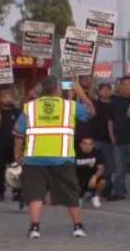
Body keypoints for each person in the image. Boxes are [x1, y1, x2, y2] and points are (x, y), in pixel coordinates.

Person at [13, 76, 94, 239]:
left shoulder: (30, 107)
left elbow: (18, 133)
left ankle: (35, 228)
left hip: (34, 157)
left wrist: (17, 154)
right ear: (58, 89)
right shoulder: (68, 106)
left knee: (35, 194)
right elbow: (91, 111)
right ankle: (77, 227)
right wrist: (80, 91)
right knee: (70, 192)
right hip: (62, 157)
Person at [91, 82, 115, 197]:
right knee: (96, 167)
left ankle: (107, 189)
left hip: (110, 141)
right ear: (99, 92)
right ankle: (94, 190)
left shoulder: (115, 104)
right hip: (96, 140)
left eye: (108, 89)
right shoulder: (94, 105)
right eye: (103, 89)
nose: (105, 91)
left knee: (109, 168)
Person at [75, 136, 107, 208]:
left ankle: (95, 197)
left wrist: (94, 177)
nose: (88, 146)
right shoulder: (75, 153)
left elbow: (101, 168)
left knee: (103, 181)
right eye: (85, 144)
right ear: (81, 145)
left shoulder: (97, 153)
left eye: (90, 144)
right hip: (79, 179)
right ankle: (78, 197)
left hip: (92, 178)